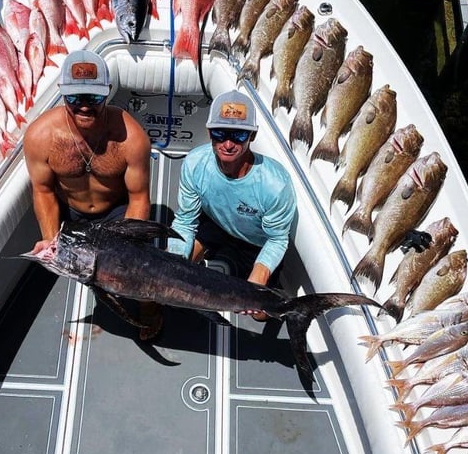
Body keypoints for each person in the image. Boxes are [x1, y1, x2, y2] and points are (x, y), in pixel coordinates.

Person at [23, 49, 163, 339]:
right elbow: (44, 190)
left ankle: (148, 306)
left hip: (117, 211)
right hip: (72, 215)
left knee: (141, 270)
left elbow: (138, 196)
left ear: (108, 94)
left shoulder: (131, 137)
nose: (84, 106)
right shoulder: (40, 136)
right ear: (63, 94)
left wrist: (127, 246)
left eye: (94, 98)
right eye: (76, 98)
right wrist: (52, 240)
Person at [167, 90, 297, 320]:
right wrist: (173, 263)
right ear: (209, 132)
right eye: (220, 133)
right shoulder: (195, 163)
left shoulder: (275, 184)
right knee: (178, 270)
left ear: (252, 136)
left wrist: (258, 277)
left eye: (238, 135)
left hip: (256, 242)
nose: (228, 144)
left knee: (260, 314)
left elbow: (277, 239)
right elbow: (186, 220)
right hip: (216, 224)